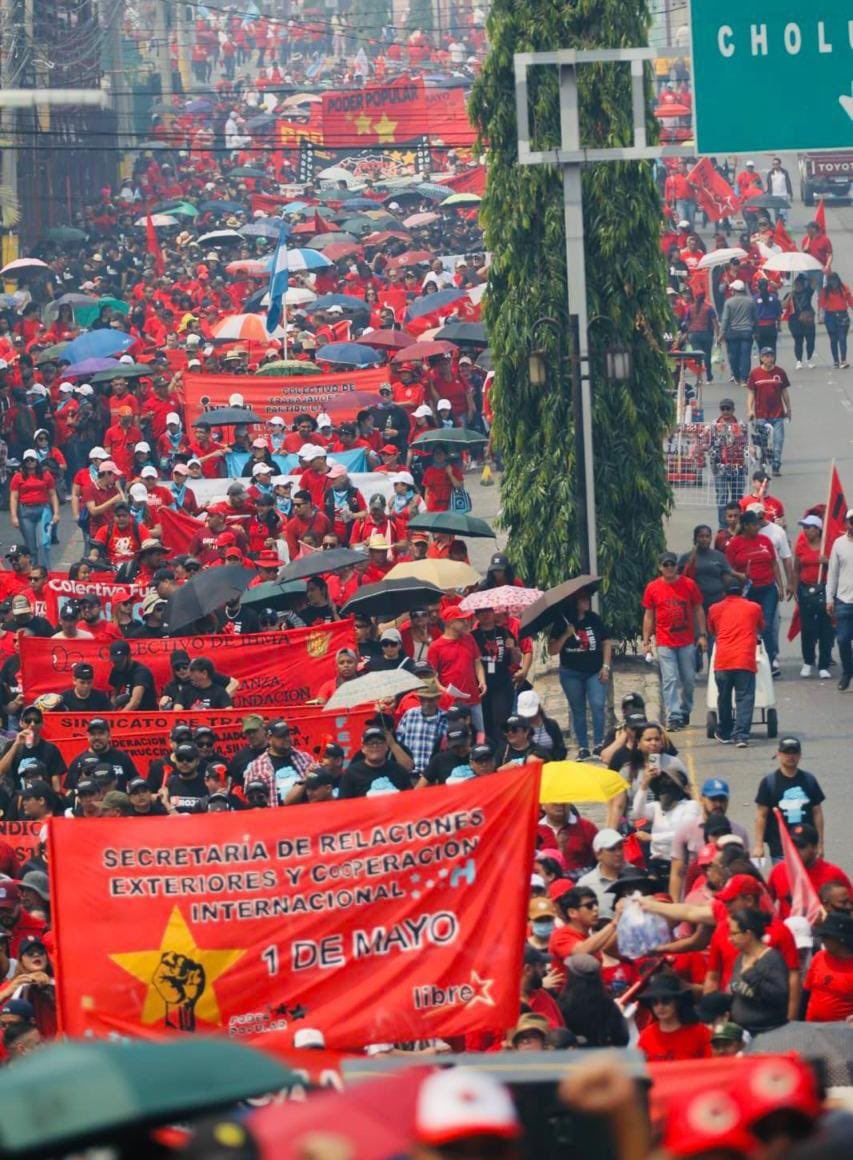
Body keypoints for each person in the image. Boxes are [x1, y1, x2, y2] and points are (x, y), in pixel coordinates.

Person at [641, 551, 706, 731]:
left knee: (689, 680)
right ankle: (674, 715)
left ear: (677, 566)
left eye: (672, 564)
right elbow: (648, 616)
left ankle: (685, 709)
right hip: (665, 641)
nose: (669, 568)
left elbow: (698, 609)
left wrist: (702, 635)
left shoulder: (688, 584)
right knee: (669, 679)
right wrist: (646, 640)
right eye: (665, 565)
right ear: (660, 567)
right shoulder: (653, 588)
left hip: (686, 641)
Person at [547, 587, 612, 758]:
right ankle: (583, 746)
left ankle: (599, 743)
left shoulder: (594, 619)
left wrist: (605, 666)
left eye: (587, 599)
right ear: (575, 603)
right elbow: (552, 650)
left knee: (598, 705)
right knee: (578, 709)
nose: (587, 602)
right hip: (571, 673)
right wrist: (566, 635)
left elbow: (606, 642)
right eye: (583, 599)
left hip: (594, 671)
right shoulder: (562, 623)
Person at [707, 578, 764, 746]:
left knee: (723, 697)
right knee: (745, 697)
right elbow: (760, 626)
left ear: (724, 593)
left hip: (723, 660)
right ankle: (741, 735)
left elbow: (712, 630)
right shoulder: (754, 608)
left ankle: (725, 731)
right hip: (744, 659)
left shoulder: (714, 609)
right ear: (741, 591)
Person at [725, 510, 782, 673]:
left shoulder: (765, 541)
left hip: (767, 588)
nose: (758, 527)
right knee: (748, 626)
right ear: (746, 526)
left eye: (758, 524)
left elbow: (774, 563)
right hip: (746, 590)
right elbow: (728, 568)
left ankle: (770, 661)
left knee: (767, 625)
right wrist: (739, 576)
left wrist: (781, 586)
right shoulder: (735, 544)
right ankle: (747, 659)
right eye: (754, 524)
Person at [753, 736, 825, 862]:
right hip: (780, 849)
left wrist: (820, 844)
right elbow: (761, 815)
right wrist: (758, 845)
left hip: (807, 849)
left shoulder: (809, 780)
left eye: (794, 753)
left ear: (800, 755)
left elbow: (817, 813)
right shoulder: (769, 783)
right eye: (787, 752)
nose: (791, 756)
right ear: (779, 754)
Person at [632, 766, 701, 888]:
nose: (665, 792)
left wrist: (652, 837)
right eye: (661, 787)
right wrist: (644, 785)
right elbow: (637, 812)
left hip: (680, 864)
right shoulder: (656, 807)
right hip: (657, 864)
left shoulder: (690, 806)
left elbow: (684, 834)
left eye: (669, 786)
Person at [767, 823, 850, 920]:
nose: (795, 851)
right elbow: (766, 905)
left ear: (815, 848)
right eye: (792, 845)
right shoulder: (778, 871)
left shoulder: (833, 873)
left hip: (823, 933)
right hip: (788, 932)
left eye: (801, 847)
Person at [728, 908, 790, 1035]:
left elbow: (780, 997)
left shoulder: (772, 959)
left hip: (767, 1033)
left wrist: (752, 975)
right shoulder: (740, 957)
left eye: (734, 934)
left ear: (748, 934)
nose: (730, 939)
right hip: (742, 1033)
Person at [427, 606, 486, 736]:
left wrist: (482, 681)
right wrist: (443, 690)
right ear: (449, 622)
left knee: (480, 733)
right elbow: (432, 675)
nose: (465, 622)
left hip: (473, 698)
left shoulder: (469, 638)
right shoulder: (436, 647)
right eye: (461, 620)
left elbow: (477, 662)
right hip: (451, 701)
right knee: (454, 733)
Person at [636, 974, 712, 1062]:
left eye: (666, 1000)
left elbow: (711, 1067)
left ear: (677, 1002)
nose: (660, 1007)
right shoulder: (646, 1036)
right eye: (654, 1002)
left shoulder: (701, 1033)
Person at [794, 513, 834, 679]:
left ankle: (824, 665)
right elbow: (796, 568)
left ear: (817, 530)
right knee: (808, 629)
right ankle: (808, 661)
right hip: (806, 590)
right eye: (804, 527)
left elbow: (839, 568)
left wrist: (828, 562)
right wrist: (794, 588)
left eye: (808, 528)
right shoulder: (801, 546)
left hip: (824, 590)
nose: (805, 531)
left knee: (826, 629)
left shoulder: (828, 547)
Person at [558, 954, 629, 1047]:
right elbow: (623, 1038)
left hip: (573, 1058)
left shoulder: (562, 1005)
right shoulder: (608, 1005)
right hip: (602, 1058)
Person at [8, 450, 60, 570]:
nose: (30, 463)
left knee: (44, 543)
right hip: (25, 512)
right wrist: (14, 516)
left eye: (32, 460)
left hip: (43, 510)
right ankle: (33, 570)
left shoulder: (46, 475)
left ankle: (46, 570)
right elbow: (14, 497)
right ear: (24, 462)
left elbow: (52, 494)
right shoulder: (18, 476)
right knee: (31, 546)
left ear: (37, 461)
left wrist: (56, 513)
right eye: (27, 460)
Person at [243, 719, 314, 806]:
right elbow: (251, 802)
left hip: (308, 812)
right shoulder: (257, 767)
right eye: (281, 736)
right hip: (276, 816)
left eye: (287, 735)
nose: (286, 739)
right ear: (269, 738)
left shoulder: (304, 758)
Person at [745, 347, 791, 476]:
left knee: (778, 440)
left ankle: (776, 464)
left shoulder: (780, 372)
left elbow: (784, 392)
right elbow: (751, 393)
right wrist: (750, 410)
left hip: (777, 414)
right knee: (762, 441)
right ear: (761, 358)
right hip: (761, 414)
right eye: (765, 356)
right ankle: (763, 463)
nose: (768, 358)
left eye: (771, 356)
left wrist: (789, 409)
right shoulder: (755, 373)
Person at [339, 724, 414, 798]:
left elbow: (410, 799)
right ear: (363, 748)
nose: (375, 746)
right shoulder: (351, 774)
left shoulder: (399, 771)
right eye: (370, 743)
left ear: (386, 746)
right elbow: (343, 805)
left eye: (379, 742)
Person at [803, 912, 853, 1023]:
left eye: (826, 936)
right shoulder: (819, 957)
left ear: (841, 939)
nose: (823, 940)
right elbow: (806, 992)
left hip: (840, 1035)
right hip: (811, 1029)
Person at [827, 506, 853, 691]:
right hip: (844, 600)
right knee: (843, 640)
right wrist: (829, 598)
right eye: (851, 521)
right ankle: (847, 671)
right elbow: (832, 574)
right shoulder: (839, 543)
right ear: (847, 523)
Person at [577, 829, 625, 919]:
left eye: (620, 847)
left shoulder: (638, 875)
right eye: (612, 849)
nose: (618, 853)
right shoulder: (585, 884)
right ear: (598, 854)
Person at [720, 279, 757, 386]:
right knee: (745, 356)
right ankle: (744, 379)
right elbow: (755, 318)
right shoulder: (750, 301)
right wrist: (756, 331)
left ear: (734, 290)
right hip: (747, 331)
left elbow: (725, 319)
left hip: (732, 333)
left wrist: (721, 334)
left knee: (733, 356)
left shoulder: (729, 302)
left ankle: (736, 376)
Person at [818, 271, 852, 369]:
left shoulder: (844, 288)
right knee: (833, 339)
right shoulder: (825, 291)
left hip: (843, 315)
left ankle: (843, 360)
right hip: (830, 316)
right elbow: (822, 303)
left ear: (838, 280)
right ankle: (836, 360)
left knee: (842, 338)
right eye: (831, 281)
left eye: (834, 280)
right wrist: (821, 315)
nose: (833, 283)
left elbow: (850, 301)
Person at [783, 273, 817, 369]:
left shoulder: (807, 292)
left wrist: (808, 277)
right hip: (794, 321)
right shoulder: (790, 294)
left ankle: (809, 359)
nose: (798, 286)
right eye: (796, 284)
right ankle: (799, 360)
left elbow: (814, 283)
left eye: (800, 284)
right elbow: (783, 306)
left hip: (808, 319)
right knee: (798, 341)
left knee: (810, 340)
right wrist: (790, 296)